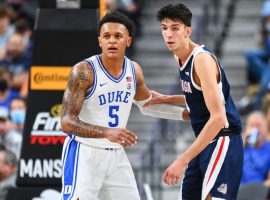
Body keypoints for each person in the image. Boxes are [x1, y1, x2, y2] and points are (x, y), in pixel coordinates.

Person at [60, 11, 189, 200]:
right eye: (107, 36)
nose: (112, 41)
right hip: (84, 152)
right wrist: (107, 132)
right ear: (100, 41)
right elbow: (66, 122)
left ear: (128, 41)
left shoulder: (133, 70)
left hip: (115, 154)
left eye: (118, 36)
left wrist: (185, 114)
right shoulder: (84, 71)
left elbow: (147, 104)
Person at [144, 4, 243, 200]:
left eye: (175, 28)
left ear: (187, 31)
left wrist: (182, 160)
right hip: (205, 141)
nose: (169, 34)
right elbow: (200, 96)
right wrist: (167, 98)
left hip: (223, 138)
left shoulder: (201, 60)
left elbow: (218, 118)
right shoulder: (179, 57)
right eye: (164, 28)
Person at [241, 111, 270, 186]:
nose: (255, 129)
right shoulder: (241, 147)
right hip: (238, 191)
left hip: (259, 192)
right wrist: (243, 141)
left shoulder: (268, 149)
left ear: (265, 128)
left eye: (258, 126)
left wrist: (257, 190)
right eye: (252, 125)